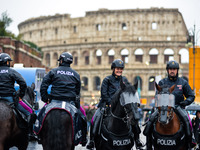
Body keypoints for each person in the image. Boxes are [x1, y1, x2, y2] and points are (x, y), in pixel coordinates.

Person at [86, 59, 144, 149]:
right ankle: (92, 140)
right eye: (117, 68)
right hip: (107, 105)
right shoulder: (107, 79)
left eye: (121, 69)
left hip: (122, 105)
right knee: (96, 117)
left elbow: (129, 91)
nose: (119, 70)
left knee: (133, 117)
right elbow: (104, 94)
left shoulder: (125, 80)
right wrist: (110, 103)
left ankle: (137, 140)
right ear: (113, 69)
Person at [143, 60, 196, 147]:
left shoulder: (183, 82)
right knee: (151, 119)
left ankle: (189, 142)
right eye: (170, 69)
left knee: (186, 120)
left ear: (177, 70)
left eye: (174, 69)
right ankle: (148, 144)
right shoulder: (162, 82)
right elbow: (157, 95)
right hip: (163, 107)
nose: (172, 71)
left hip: (178, 106)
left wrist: (185, 102)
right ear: (167, 70)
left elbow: (191, 96)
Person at [40, 52, 87, 146]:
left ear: (61, 61)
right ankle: (84, 138)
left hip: (54, 101)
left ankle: (37, 133)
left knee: (40, 115)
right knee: (83, 117)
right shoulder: (76, 74)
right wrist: (76, 104)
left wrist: (46, 99)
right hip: (70, 102)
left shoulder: (53, 71)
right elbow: (77, 92)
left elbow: (44, 85)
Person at [0, 52, 35, 139]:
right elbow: (23, 83)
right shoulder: (11, 71)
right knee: (30, 112)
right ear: (7, 62)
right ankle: (30, 133)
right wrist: (20, 95)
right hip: (9, 99)